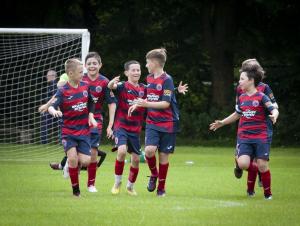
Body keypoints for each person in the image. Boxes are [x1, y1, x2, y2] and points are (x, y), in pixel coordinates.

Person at [209, 64, 279, 200]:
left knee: (263, 165)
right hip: (245, 137)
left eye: (242, 79)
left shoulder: (262, 96)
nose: (239, 82)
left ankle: (267, 194)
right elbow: (237, 114)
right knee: (243, 164)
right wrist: (222, 122)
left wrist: (274, 115)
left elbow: (273, 108)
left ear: (251, 80)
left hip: (261, 136)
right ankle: (253, 178)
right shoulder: (242, 98)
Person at [128, 48, 180, 197]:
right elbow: (147, 98)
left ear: (155, 63)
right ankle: (154, 175)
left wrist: (145, 104)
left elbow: (165, 104)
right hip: (152, 122)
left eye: (147, 62)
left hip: (168, 123)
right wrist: (137, 104)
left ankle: (161, 189)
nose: (145, 65)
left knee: (163, 156)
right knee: (150, 151)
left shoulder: (167, 80)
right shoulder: (149, 78)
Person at [48, 58, 97, 197]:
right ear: (70, 73)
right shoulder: (63, 91)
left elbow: (91, 103)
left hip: (83, 131)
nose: (83, 74)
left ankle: (69, 166)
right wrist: (54, 111)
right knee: (73, 159)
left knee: (86, 161)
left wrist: (91, 116)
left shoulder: (86, 86)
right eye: (81, 72)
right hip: (68, 131)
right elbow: (52, 106)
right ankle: (76, 191)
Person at [233, 59, 278, 188]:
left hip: (262, 126)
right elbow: (238, 109)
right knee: (243, 157)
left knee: (260, 160)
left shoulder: (264, 88)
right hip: (245, 125)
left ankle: (260, 175)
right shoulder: (240, 89)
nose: (241, 79)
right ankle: (241, 164)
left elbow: (274, 105)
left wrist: (274, 114)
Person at [40, 70, 58, 144]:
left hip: (54, 108)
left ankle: (44, 141)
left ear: (52, 76)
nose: (46, 77)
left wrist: (46, 106)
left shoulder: (54, 85)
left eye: (47, 75)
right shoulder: (51, 85)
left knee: (46, 124)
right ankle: (44, 141)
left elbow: (55, 98)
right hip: (51, 108)